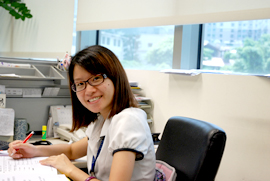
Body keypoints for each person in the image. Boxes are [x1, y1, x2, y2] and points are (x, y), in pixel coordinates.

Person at [8, 45, 156, 181]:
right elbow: (72, 150)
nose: (89, 90)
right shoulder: (103, 120)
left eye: (96, 78)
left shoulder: (128, 120)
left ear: (115, 77)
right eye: (80, 84)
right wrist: (34, 150)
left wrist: (70, 170)